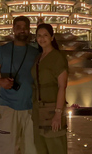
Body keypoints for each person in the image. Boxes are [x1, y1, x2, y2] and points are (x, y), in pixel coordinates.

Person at [0, 16, 40, 154]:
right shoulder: (1, 51)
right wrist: (0, 81)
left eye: (25, 27)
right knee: (6, 149)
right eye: (19, 27)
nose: (22, 30)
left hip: (31, 109)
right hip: (8, 107)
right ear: (13, 29)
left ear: (29, 30)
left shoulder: (36, 53)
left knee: (33, 149)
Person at [32, 23, 68, 154]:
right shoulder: (37, 58)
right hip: (37, 110)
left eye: (45, 35)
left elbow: (62, 86)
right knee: (40, 147)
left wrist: (58, 113)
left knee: (56, 146)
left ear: (52, 37)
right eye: (39, 36)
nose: (42, 39)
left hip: (51, 109)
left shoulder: (58, 57)